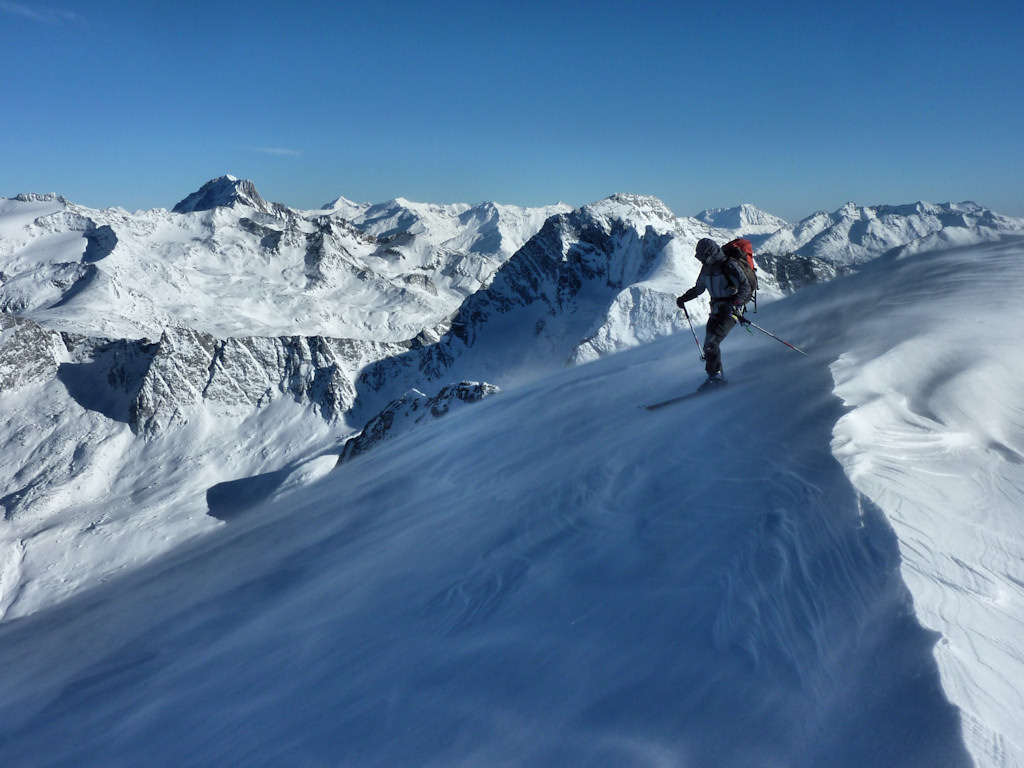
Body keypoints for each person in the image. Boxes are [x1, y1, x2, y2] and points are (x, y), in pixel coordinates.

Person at [676, 237, 753, 385]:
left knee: (711, 343)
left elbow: (745, 287)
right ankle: (714, 375)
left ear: (710, 253)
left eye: (703, 256)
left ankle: (715, 378)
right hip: (717, 310)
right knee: (708, 344)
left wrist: (733, 303)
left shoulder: (729, 265)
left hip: (732, 311)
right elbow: (699, 288)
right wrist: (683, 298)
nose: (701, 260)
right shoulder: (706, 268)